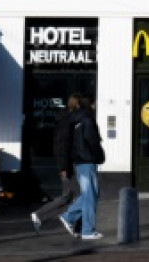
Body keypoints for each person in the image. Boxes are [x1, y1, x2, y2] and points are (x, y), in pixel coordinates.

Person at [31, 97, 82, 235]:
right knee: (74, 196)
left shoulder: (64, 122)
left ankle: (41, 215)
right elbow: (62, 146)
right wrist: (64, 167)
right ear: (75, 106)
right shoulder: (67, 123)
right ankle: (69, 222)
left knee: (70, 196)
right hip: (68, 165)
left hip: (67, 164)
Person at [59, 95, 105, 241]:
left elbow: (65, 143)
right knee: (91, 195)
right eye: (94, 104)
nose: (95, 106)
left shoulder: (72, 120)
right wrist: (99, 156)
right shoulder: (87, 119)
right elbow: (93, 141)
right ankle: (87, 230)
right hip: (87, 161)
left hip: (79, 162)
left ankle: (70, 218)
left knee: (89, 195)